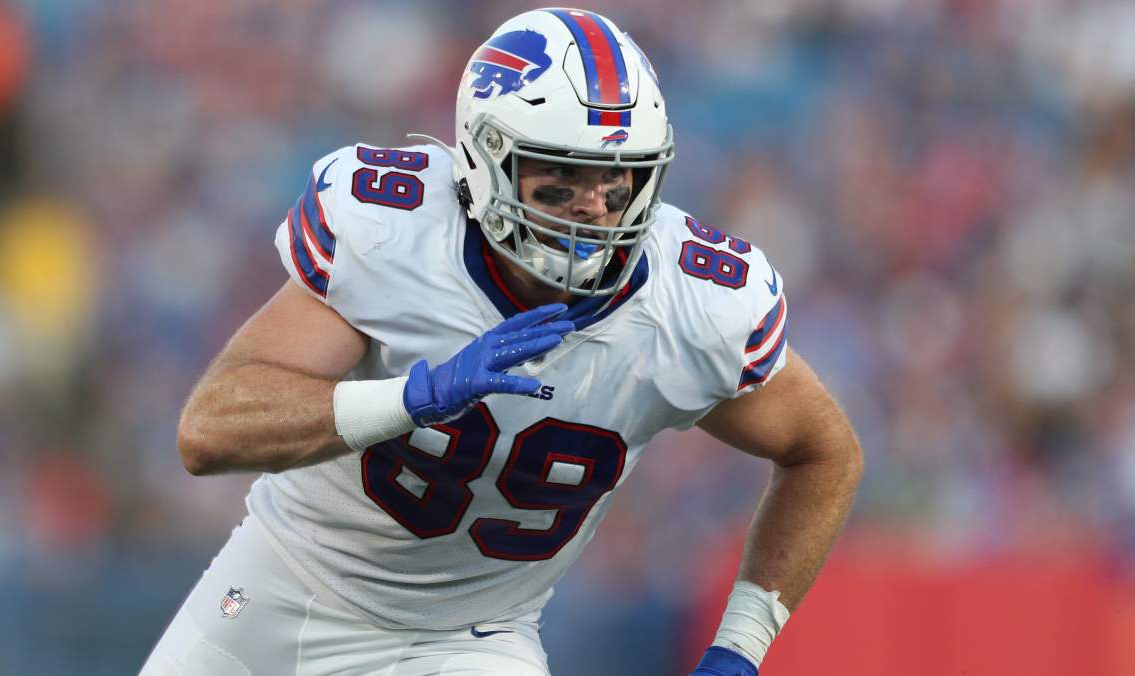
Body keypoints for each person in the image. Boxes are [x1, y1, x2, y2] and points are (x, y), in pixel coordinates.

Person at [140, 8, 861, 676]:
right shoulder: (397, 236)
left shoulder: (693, 306)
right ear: (486, 160)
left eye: (617, 181)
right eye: (562, 177)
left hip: (470, 640)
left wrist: (740, 645)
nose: (593, 207)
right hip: (283, 587)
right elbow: (209, 432)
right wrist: (411, 398)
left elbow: (824, 453)